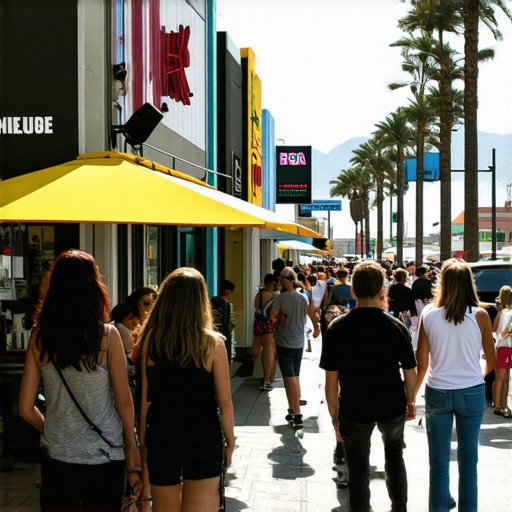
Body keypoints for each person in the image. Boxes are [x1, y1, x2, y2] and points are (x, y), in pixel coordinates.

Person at [18, 250, 141, 512]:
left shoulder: (39, 339)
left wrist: (54, 431)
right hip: (106, 455)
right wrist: (132, 446)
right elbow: (124, 401)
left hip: (58, 457)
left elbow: (25, 408)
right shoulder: (108, 337)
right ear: (94, 287)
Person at [320, 260, 417, 512]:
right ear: (381, 289)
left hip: (354, 405)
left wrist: (334, 416)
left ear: (354, 290)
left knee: (358, 467)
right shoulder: (396, 327)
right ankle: (399, 508)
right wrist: (411, 399)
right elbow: (410, 370)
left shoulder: (338, 327)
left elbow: (331, 380)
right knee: (395, 455)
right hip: (391, 401)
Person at [138, 267, 235, 511]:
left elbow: (145, 400)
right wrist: (230, 442)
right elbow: (225, 403)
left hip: (162, 435)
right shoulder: (213, 343)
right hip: (203, 437)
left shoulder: (150, 339)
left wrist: (141, 445)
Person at [415, 259, 496, 512]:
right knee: (468, 465)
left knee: (438, 465)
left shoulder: (429, 313)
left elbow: (422, 362)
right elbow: (492, 361)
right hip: (471, 391)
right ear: (469, 284)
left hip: (437, 390)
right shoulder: (481, 315)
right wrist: (474, 378)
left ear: (443, 284)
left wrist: (411, 396)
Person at [269, 267, 320, 429]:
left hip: (284, 339)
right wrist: (317, 328)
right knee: (295, 374)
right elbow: (311, 314)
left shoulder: (279, 299)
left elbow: (272, 317)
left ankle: (297, 413)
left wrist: (281, 318)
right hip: (299, 340)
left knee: (288, 376)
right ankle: (292, 409)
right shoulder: (303, 297)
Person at [251, 273, 278, 391]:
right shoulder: (272, 296)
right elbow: (273, 315)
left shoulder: (259, 294)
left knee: (258, 344)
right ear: (272, 282)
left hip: (258, 323)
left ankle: (252, 364)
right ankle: (266, 380)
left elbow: (256, 307)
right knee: (268, 349)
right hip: (268, 325)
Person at [492, 285, 512, 417]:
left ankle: (501, 404)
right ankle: (500, 405)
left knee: (502, 377)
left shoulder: (501, 313)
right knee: (503, 377)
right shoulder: (508, 313)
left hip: (501, 347)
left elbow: (494, 329)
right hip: (506, 346)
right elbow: (503, 331)